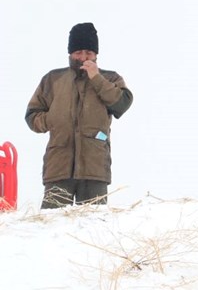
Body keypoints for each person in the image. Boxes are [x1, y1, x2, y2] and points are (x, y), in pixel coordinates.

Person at [25, 23, 134, 209]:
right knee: (52, 223)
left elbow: (122, 104)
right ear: (70, 53)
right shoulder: (53, 79)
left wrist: (96, 78)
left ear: (96, 54)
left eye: (88, 52)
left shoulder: (110, 78)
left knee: (93, 224)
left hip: (94, 169)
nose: (83, 57)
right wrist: (52, 120)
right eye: (78, 52)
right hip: (58, 167)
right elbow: (32, 115)